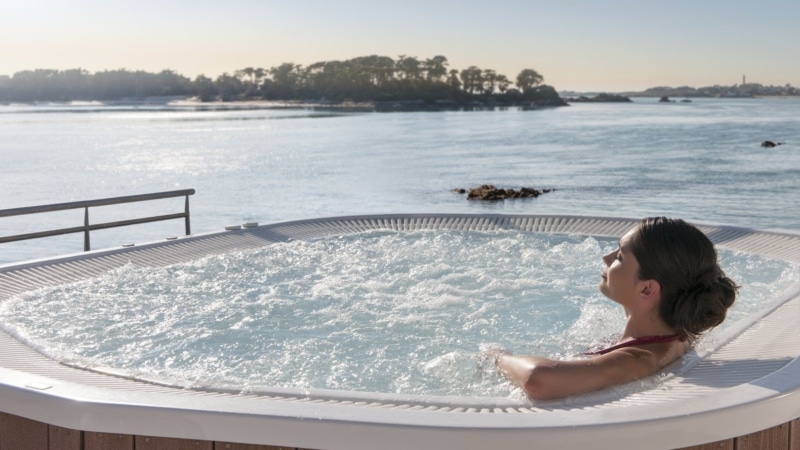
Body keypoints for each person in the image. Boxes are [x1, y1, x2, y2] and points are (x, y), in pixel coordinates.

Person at [491, 217, 738, 400]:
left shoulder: (638, 358)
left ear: (647, 290)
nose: (607, 258)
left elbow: (538, 380)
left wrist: (498, 357)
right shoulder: (678, 335)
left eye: (620, 256)